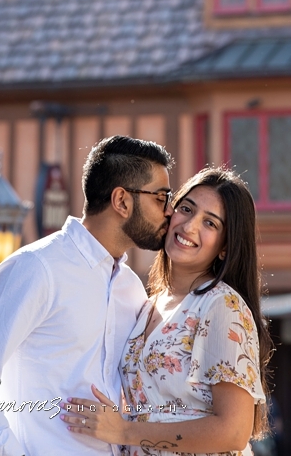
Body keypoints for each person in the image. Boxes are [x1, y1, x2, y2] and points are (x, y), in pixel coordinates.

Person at [0, 136, 174, 456]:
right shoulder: (36, 268)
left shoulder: (131, 288)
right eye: (161, 197)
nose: (170, 211)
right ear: (122, 200)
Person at [63, 166, 272, 456]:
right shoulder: (148, 305)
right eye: (186, 209)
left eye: (210, 224)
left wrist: (124, 431)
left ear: (225, 247)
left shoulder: (221, 306)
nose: (189, 226)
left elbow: (234, 432)